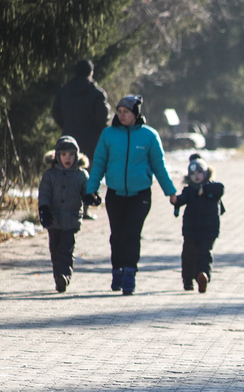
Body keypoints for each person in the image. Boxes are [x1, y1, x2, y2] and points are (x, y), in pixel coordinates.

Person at [84, 95, 178, 295]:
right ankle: (116, 271)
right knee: (117, 236)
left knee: (132, 234)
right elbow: (99, 163)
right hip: (115, 194)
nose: (122, 115)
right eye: (119, 112)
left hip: (140, 194)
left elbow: (159, 166)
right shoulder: (108, 135)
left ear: (136, 113)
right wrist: (91, 189)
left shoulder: (149, 136)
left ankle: (129, 276)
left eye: (126, 112)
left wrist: (171, 192)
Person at [52, 58, 110, 220]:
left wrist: (65, 126)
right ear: (91, 73)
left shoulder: (64, 91)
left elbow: (55, 112)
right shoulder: (97, 93)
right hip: (91, 139)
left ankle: (68, 208)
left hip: (69, 137)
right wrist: (99, 130)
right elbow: (103, 117)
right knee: (89, 174)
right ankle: (84, 210)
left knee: (67, 171)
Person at [38, 136, 90, 293]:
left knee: (66, 249)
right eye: (64, 154)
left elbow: (86, 192)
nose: (68, 158)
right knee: (55, 249)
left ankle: (64, 276)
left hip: (72, 220)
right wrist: (44, 209)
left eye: (71, 155)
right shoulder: (50, 175)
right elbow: (44, 194)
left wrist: (91, 197)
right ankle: (58, 278)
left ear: (77, 156)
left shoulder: (81, 175)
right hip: (53, 220)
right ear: (57, 156)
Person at [174, 154, 225, 293]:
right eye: (193, 173)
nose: (196, 176)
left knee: (204, 255)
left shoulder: (212, 187)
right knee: (188, 255)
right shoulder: (189, 190)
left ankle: (203, 277)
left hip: (209, 231)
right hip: (191, 230)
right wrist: (175, 200)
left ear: (206, 173)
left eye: (200, 173)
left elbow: (220, 189)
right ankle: (188, 281)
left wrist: (205, 190)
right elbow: (181, 199)